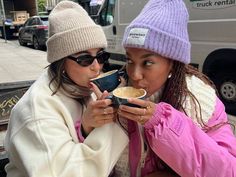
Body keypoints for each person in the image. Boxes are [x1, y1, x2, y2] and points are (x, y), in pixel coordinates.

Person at [111, 0, 236, 176]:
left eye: (147, 62)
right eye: (130, 60)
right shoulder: (115, 93)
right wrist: (87, 126)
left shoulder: (201, 102)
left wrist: (163, 122)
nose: (135, 75)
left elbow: (228, 170)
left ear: (172, 64)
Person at [4, 1, 128, 177]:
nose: (96, 67)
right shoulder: (36, 112)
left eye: (101, 56)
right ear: (61, 62)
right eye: (85, 59)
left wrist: (87, 127)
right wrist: (115, 119)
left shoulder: (78, 86)